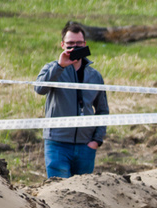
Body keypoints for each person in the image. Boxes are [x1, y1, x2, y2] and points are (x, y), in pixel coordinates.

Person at [35, 22, 109, 178]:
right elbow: (40, 89)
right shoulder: (52, 68)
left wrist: (96, 141)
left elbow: (102, 110)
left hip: (85, 146)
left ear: (85, 44)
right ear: (62, 45)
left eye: (79, 44)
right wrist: (59, 66)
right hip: (57, 144)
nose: (75, 48)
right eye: (70, 44)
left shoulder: (95, 76)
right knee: (59, 191)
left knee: (83, 195)